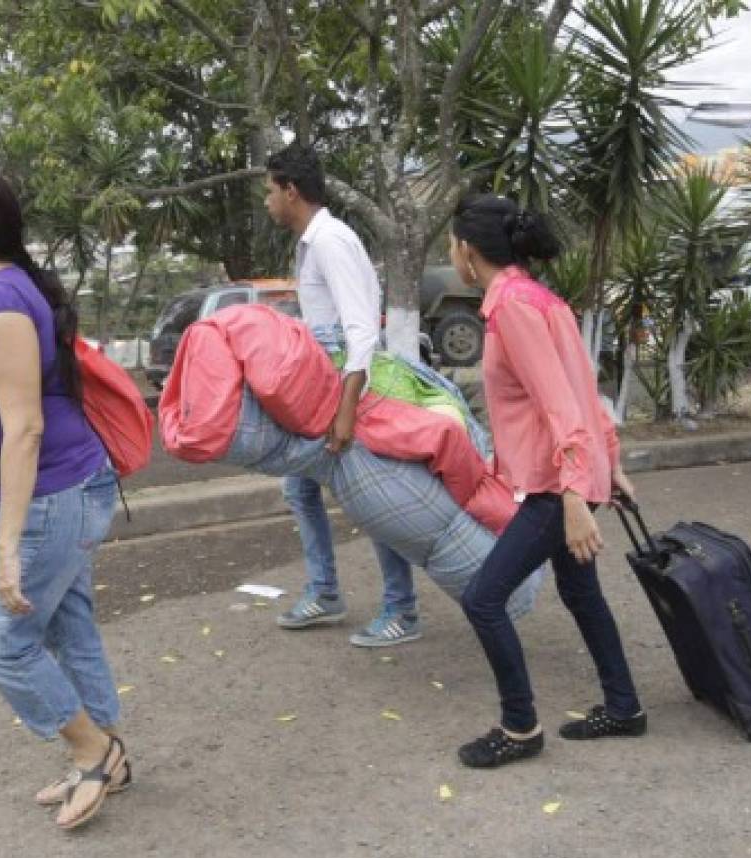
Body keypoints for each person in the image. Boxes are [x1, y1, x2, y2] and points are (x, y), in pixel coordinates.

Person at [0, 164, 128, 829]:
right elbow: (2, 406)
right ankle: (107, 758)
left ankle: (94, 752)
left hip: (48, 494)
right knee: (68, 625)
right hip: (62, 486)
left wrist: (6, 548)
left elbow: (27, 426)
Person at [449, 194, 646, 769]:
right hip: (568, 478)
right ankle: (624, 706)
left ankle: (519, 727)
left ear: (467, 250)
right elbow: (586, 389)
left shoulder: (511, 307)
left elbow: (562, 401)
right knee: (581, 592)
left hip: (552, 486)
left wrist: (575, 495)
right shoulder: (541, 299)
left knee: (483, 600)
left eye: (451, 245)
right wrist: (608, 467)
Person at [263, 143, 421, 648]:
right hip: (323, 382)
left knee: (369, 494)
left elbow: (359, 330)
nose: (267, 201)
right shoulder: (316, 240)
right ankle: (326, 591)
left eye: (270, 190)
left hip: (345, 385)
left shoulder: (330, 241)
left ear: (291, 190)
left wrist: (347, 409)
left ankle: (402, 609)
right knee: (300, 487)